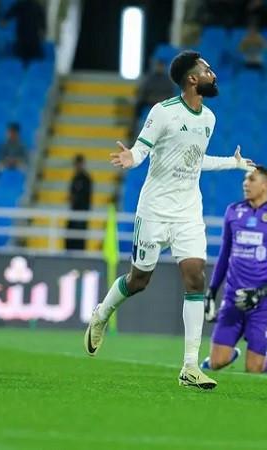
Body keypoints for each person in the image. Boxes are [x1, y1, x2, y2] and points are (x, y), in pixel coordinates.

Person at [83, 50, 255, 390]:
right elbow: (142, 149)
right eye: (207, 69)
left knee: (195, 277)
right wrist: (130, 157)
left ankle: (190, 366)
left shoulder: (209, 118)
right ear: (192, 79)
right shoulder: (162, 112)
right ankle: (102, 313)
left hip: (188, 210)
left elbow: (195, 160)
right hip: (155, 209)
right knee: (138, 280)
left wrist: (231, 164)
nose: (212, 73)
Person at [201, 166, 267, 373]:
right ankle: (230, 353)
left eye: (251, 179)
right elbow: (224, 255)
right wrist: (211, 291)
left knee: (254, 369)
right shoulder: (234, 211)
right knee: (216, 362)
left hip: (262, 302)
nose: (245, 183)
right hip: (233, 298)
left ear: (265, 185)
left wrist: (262, 291)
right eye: (245, 179)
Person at [4, 0, 46, 65]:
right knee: (35, 59)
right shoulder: (38, 7)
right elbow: (43, 26)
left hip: (24, 39)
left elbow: (7, 16)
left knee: (21, 59)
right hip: (32, 39)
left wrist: (5, 20)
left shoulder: (20, 5)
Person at [65, 155, 92, 251]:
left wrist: (75, 198)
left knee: (79, 238)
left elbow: (86, 197)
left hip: (82, 212)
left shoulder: (86, 179)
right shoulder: (75, 178)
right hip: (73, 212)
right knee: (70, 236)